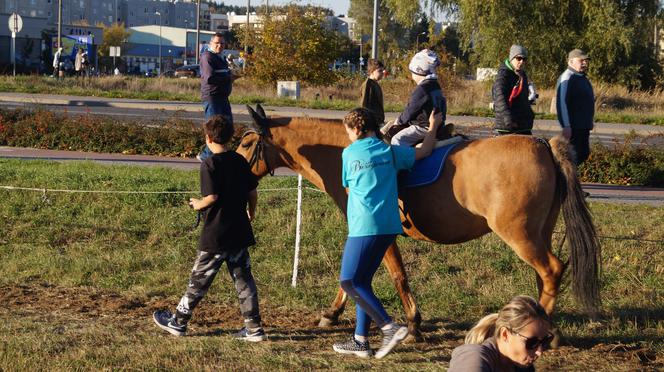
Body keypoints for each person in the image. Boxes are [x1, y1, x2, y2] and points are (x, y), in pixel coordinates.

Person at [332, 107, 442, 359]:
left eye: (348, 131)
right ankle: (360, 340)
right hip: (389, 226)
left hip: (363, 226)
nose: (348, 136)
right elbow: (424, 151)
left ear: (357, 129)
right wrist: (434, 127)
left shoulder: (349, 154)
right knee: (363, 282)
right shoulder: (390, 152)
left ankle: (388, 327)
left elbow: (347, 186)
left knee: (348, 282)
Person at [153, 115, 266, 342]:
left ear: (207, 138)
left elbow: (211, 197)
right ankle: (254, 329)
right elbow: (252, 192)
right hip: (239, 231)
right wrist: (251, 213)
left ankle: (178, 322)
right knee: (244, 280)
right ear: (231, 137)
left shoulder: (209, 164)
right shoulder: (240, 161)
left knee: (199, 280)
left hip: (216, 234)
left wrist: (197, 204)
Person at [448, 295, 554, 372]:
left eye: (545, 341)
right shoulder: (473, 357)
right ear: (505, 334)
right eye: (532, 342)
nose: (540, 352)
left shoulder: (523, 368)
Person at [380, 49, 447, 147]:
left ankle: (404, 161)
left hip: (423, 127)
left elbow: (411, 109)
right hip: (439, 124)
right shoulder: (435, 85)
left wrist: (399, 121)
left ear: (419, 70)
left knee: (397, 139)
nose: (412, 75)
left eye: (412, 72)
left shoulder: (422, 89)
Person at [197, 33, 239, 162]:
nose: (219, 45)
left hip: (222, 97)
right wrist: (228, 78)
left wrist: (232, 75)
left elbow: (222, 75)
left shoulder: (220, 58)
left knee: (227, 125)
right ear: (211, 44)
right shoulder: (207, 57)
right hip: (212, 97)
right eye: (217, 43)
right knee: (215, 128)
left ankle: (216, 154)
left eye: (222, 43)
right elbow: (210, 78)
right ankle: (206, 156)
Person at [555, 49, 594, 165]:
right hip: (573, 127)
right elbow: (562, 103)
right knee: (571, 157)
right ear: (571, 61)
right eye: (581, 60)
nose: (584, 63)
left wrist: (589, 121)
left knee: (583, 153)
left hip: (584, 126)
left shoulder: (582, 78)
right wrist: (566, 126)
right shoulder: (567, 78)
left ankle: (571, 180)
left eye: (585, 61)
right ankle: (564, 181)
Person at [492, 45, 535, 135]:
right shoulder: (503, 76)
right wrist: (508, 120)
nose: (521, 61)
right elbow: (500, 100)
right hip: (507, 128)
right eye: (518, 58)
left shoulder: (522, 75)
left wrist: (530, 114)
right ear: (511, 58)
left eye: (524, 59)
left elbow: (523, 100)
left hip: (522, 126)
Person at [359, 59, 385, 126]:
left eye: (382, 70)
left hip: (378, 120)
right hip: (371, 121)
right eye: (379, 71)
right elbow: (364, 103)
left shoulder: (375, 84)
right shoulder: (368, 84)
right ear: (371, 72)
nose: (382, 73)